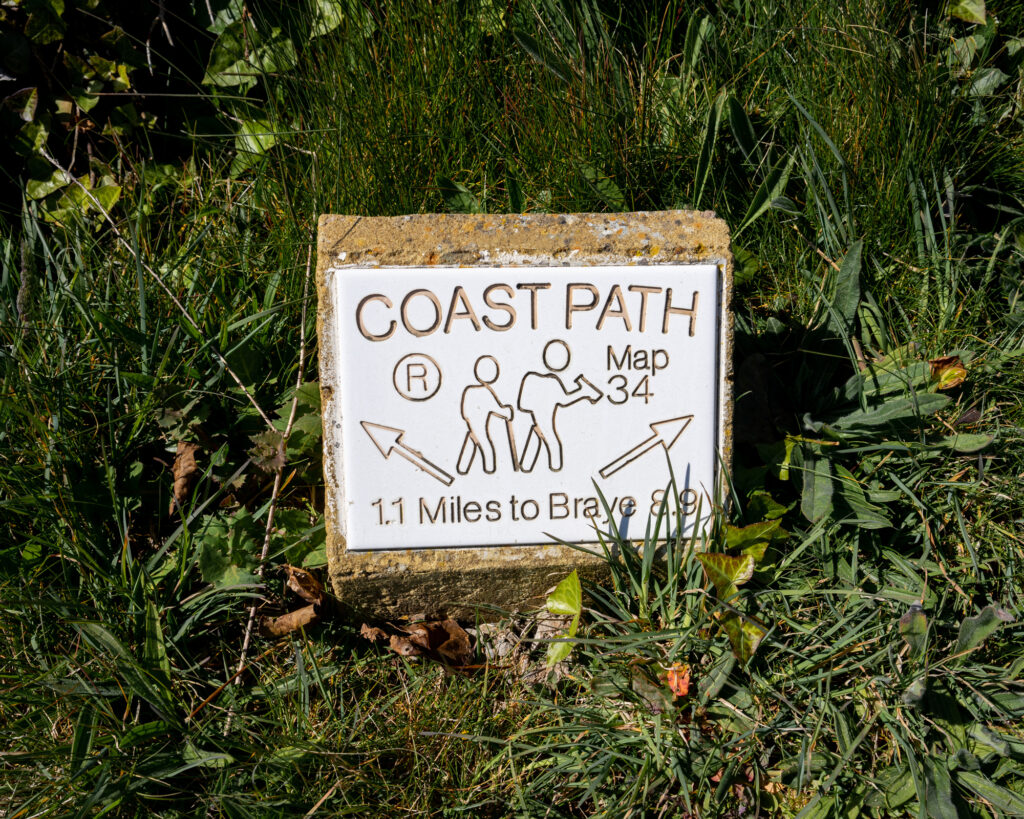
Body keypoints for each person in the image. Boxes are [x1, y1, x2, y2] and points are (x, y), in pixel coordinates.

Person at [517, 340, 603, 472]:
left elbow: (523, 405)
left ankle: (527, 466)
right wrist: (583, 392)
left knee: (539, 431)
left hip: (539, 415)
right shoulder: (547, 381)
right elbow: (563, 400)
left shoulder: (535, 379)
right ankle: (554, 466)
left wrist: (583, 392)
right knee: (550, 438)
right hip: (543, 414)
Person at [456, 355, 515, 474]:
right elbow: (498, 408)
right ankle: (489, 468)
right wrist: (508, 411)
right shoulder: (484, 392)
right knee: (484, 443)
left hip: (470, 422)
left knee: (474, 439)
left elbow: (464, 412)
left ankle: (463, 468)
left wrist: (468, 418)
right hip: (477, 423)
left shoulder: (469, 390)